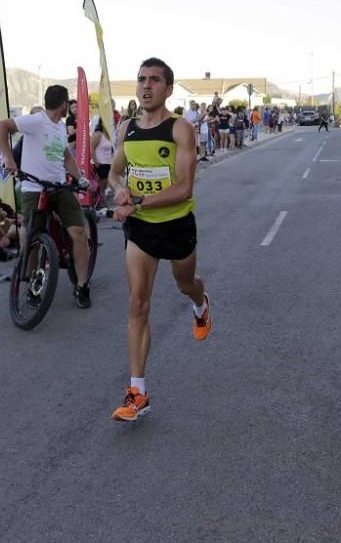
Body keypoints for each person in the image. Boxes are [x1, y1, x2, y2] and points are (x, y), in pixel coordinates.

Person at [108, 57, 211, 422]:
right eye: (141, 80)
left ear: (168, 89)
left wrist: (137, 200)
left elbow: (184, 188)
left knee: (185, 284)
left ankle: (200, 303)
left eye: (154, 80)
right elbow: (115, 174)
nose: (146, 86)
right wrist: (120, 191)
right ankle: (138, 393)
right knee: (138, 304)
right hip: (141, 229)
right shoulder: (127, 130)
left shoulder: (180, 129)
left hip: (176, 224)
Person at [0, 85, 92, 308]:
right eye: (69, 104)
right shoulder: (36, 121)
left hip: (59, 188)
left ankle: (83, 285)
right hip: (34, 189)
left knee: (79, 232)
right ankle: (31, 284)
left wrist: (80, 177)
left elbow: (66, 156)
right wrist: (8, 158)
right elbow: (0, 126)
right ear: (64, 104)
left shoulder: (58, 128)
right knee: (33, 238)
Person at [91, 118, 114, 201]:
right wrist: (96, 162)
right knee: (102, 184)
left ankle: (101, 201)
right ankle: (100, 202)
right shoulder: (98, 134)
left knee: (106, 183)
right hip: (100, 163)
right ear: (101, 123)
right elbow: (91, 148)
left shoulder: (108, 135)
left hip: (108, 163)